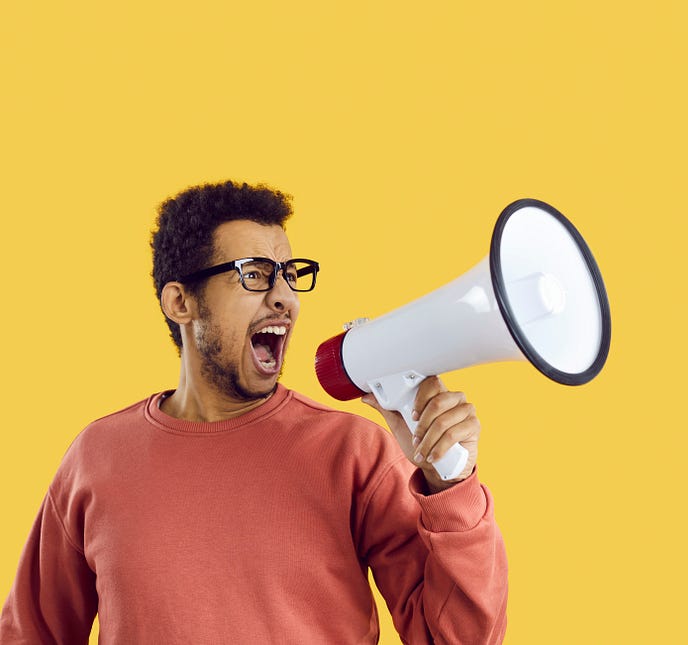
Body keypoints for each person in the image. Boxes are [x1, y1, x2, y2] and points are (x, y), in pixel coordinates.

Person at [0, 181, 508, 644]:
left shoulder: (355, 453)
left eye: (291, 275)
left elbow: (457, 638)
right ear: (181, 302)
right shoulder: (97, 458)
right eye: (256, 275)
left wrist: (452, 488)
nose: (286, 298)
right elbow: (29, 632)